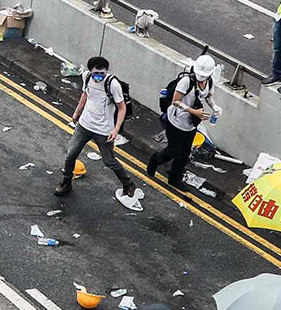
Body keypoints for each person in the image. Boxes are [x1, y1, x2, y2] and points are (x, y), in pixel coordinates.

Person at [55, 55, 139, 210]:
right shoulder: (86, 77)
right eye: (95, 74)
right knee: (70, 154)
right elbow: (85, 95)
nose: (98, 77)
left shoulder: (112, 84)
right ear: (90, 71)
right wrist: (77, 113)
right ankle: (66, 182)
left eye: (101, 73)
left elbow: (122, 108)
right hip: (85, 125)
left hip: (103, 130)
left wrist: (116, 129)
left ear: (106, 71)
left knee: (109, 161)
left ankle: (128, 184)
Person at [152, 54, 216, 191]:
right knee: (173, 149)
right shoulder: (186, 81)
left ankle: (174, 178)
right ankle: (155, 160)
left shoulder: (209, 82)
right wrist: (194, 111)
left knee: (185, 153)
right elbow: (175, 101)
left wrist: (215, 107)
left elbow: (208, 97)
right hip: (176, 120)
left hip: (191, 124)